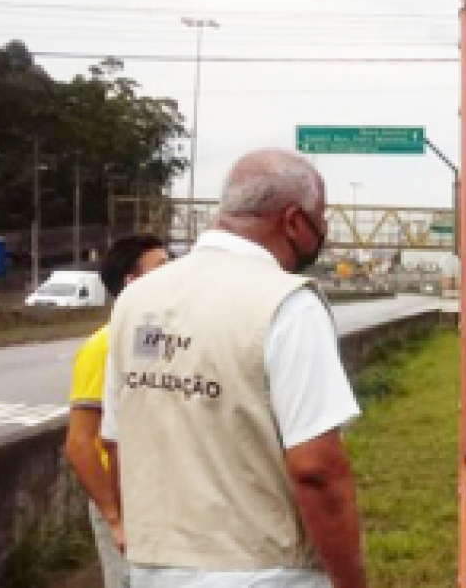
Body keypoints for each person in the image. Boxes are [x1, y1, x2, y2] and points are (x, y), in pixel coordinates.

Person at [100, 148, 367, 588]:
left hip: (154, 568)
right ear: (295, 222)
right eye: (322, 221)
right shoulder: (288, 303)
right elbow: (316, 469)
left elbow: (114, 441)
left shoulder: (135, 300)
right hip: (264, 570)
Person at [65, 234, 169, 587]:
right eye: (162, 269)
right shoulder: (102, 347)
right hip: (124, 501)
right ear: (132, 282)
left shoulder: (161, 339)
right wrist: (114, 517)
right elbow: (80, 443)